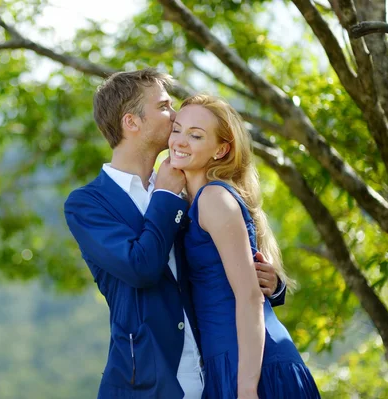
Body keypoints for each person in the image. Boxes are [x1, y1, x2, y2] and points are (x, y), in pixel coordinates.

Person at [64, 69, 286, 398]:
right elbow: (140, 268)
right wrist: (166, 198)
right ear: (132, 122)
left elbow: (215, 266)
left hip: (216, 374)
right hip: (144, 385)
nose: (174, 113)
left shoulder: (189, 189)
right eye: (165, 106)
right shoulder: (87, 204)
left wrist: (270, 282)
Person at [169, 94, 320, 398]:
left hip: (250, 366)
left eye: (196, 135)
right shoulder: (190, 202)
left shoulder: (214, 198)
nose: (181, 141)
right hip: (225, 361)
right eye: (177, 130)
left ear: (221, 150)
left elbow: (250, 297)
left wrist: (248, 387)